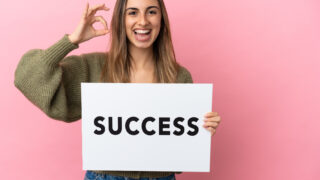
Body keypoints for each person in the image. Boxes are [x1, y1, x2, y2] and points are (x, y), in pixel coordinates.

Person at [14, 0, 221, 179]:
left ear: (161, 19)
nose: (143, 21)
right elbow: (27, 77)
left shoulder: (179, 77)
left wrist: (198, 136)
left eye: (151, 11)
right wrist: (72, 40)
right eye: (132, 12)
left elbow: (177, 161)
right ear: (121, 20)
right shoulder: (93, 68)